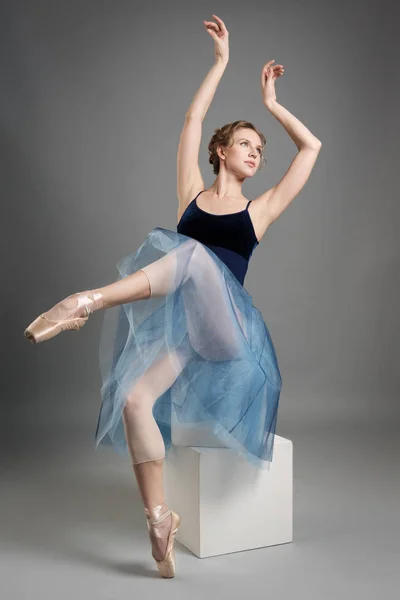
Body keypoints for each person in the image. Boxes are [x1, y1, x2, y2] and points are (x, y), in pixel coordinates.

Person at [23, 15, 322, 578]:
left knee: (188, 255)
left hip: (231, 333)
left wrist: (273, 103)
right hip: (189, 332)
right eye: (246, 144)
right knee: (137, 401)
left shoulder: (260, 211)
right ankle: (158, 520)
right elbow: (192, 118)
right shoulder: (190, 195)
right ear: (220, 151)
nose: (257, 154)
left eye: (260, 148)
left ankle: (84, 302)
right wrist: (221, 64)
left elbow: (311, 148)